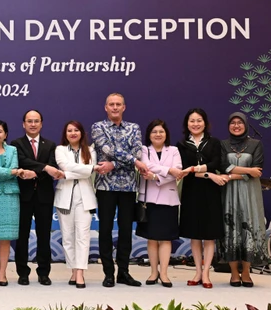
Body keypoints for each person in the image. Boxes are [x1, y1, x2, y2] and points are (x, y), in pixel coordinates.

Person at [91, 93, 147, 287]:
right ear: (105, 107)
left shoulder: (134, 128)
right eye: (111, 104)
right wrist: (134, 162)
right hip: (105, 186)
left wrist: (114, 165)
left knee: (125, 230)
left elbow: (137, 152)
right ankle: (108, 273)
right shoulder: (98, 127)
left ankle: (123, 271)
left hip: (128, 187)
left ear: (124, 107)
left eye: (118, 104)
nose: (115, 107)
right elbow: (106, 150)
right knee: (105, 230)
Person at [176, 108, 227, 289]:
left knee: (209, 234)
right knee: (195, 234)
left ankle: (206, 273)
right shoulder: (181, 145)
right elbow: (184, 168)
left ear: (205, 122)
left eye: (199, 120)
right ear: (186, 124)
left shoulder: (214, 142)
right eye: (192, 121)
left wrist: (198, 170)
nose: (195, 124)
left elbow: (216, 164)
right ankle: (197, 271)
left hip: (211, 193)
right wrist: (210, 175)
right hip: (191, 191)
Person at [11, 110, 63, 286]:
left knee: (44, 236)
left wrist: (37, 172)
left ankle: (43, 272)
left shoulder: (50, 144)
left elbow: (53, 168)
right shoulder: (16, 144)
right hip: (23, 196)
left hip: (44, 196)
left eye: (36, 121)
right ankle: (22, 273)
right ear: (23, 124)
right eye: (29, 121)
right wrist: (45, 168)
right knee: (22, 236)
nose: (33, 124)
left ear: (41, 123)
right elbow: (21, 161)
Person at [0, 120, 34, 286]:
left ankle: (2, 273)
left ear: (5, 135)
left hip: (9, 197)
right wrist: (13, 172)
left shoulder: (13, 150)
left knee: (5, 238)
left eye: (0, 131)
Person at [221, 112, 266, 287]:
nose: (236, 125)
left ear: (246, 125)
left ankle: (246, 272)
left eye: (240, 122)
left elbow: (258, 170)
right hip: (228, 193)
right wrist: (247, 171)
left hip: (250, 193)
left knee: (249, 227)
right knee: (231, 228)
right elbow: (222, 167)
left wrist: (232, 175)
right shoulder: (223, 145)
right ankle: (233, 273)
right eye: (233, 123)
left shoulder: (256, 144)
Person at [137, 119, 183, 288]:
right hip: (148, 199)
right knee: (152, 238)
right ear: (149, 135)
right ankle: (153, 272)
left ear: (166, 134)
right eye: (154, 131)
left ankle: (164, 273)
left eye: (161, 131)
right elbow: (146, 165)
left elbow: (178, 171)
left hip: (169, 199)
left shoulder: (174, 150)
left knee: (165, 238)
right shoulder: (143, 150)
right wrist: (168, 170)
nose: (158, 134)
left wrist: (156, 176)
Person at [54, 121, 97, 289]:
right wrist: (86, 169)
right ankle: (73, 269)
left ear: (81, 133)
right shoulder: (60, 150)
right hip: (65, 198)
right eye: (69, 130)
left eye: (76, 130)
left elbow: (86, 171)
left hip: (85, 199)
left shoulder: (91, 150)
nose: (73, 133)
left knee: (83, 236)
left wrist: (66, 174)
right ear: (65, 134)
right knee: (68, 237)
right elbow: (65, 166)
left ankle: (80, 272)